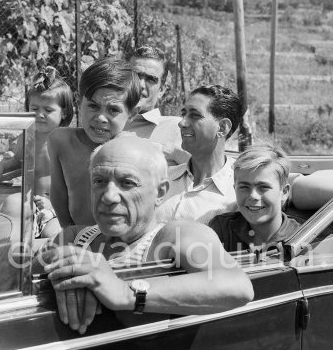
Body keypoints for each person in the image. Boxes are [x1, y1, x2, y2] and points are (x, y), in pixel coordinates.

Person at [40, 136, 254, 334]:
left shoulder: (174, 236)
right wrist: (65, 270)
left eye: (127, 183)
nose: (109, 196)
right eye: (99, 181)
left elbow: (237, 286)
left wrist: (125, 292)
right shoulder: (74, 239)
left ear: (160, 193)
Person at [0, 67, 73, 238]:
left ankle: (41, 256)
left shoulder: (66, 141)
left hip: (58, 209)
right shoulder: (27, 137)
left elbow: (75, 181)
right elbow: (17, 161)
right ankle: (10, 252)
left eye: (48, 110)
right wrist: (0, 167)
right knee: (11, 205)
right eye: (34, 108)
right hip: (31, 203)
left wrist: (54, 204)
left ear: (64, 112)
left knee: (54, 234)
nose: (40, 115)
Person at [48, 57, 141, 228]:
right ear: (78, 102)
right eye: (93, 106)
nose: (100, 118)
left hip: (120, 239)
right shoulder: (61, 142)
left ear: (132, 113)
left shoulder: (133, 152)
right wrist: (69, 232)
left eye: (113, 110)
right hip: (77, 236)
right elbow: (59, 194)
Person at [155, 84, 241, 224]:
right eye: (184, 114)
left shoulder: (238, 192)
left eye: (194, 115)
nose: (182, 123)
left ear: (223, 127)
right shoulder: (162, 179)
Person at [209, 143, 300, 255]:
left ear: (284, 192)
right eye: (244, 187)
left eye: (263, 187)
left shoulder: (301, 237)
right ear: (235, 189)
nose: (253, 195)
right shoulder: (222, 229)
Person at [124, 45, 189, 166]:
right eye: (135, 76)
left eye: (150, 79)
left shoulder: (176, 129)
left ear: (162, 90)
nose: (141, 85)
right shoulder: (103, 121)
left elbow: (205, 174)